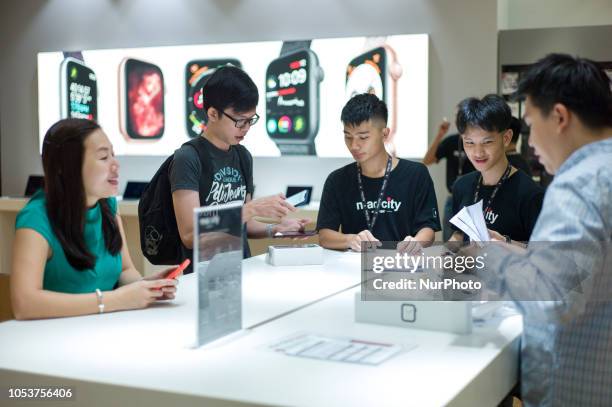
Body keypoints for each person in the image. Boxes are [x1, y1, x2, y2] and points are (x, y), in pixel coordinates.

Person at [468, 54, 612, 406]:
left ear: (560, 117)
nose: (530, 142)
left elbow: (552, 297)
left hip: (576, 386)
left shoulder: (579, 185)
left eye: (532, 125)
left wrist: (493, 260)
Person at [10, 119, 178, 320]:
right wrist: (115, 300)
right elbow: (24, 304)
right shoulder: (36, 219)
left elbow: (125, 270)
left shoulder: (107, 205)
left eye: (113, 154)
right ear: (67, 166)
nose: (115, 165)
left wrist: (146, 286)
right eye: (103, 157)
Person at [170, 66, 309, 267]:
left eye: (250, 120)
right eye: (239, 121)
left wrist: (276, 229)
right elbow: (190, 234)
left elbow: (245, 226)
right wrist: (251, 209)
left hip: (242, 269)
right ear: (212, 113)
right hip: (203, 277)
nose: (246, 128)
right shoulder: (188, 157)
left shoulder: (243, 156)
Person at [317, 93, 440, 253]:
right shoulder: (337, 180)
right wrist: (351, 239)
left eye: (363, 137)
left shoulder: (415, 174)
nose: (354, 145)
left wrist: (416, 242)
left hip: (402, 265)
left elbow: (428, 228)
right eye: (348, 137)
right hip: (354, 267)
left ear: (384, 133)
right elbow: (324, 235)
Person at [449, 94, 544, 245]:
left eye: (487, 142)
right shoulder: (462, 186)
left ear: (506, 138)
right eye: (469, 143)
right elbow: (459, 233)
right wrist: (448, 252)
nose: (478, 152)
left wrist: (505, 243)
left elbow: (543, 255)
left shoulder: (530, 195)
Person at [423, 119, 475, 241]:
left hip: (473, 200)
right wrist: (440, 135)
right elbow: (427, 160)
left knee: (471, 243)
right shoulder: (452, 141)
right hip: (453, 198)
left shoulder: (478, 144)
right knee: (449, 242)